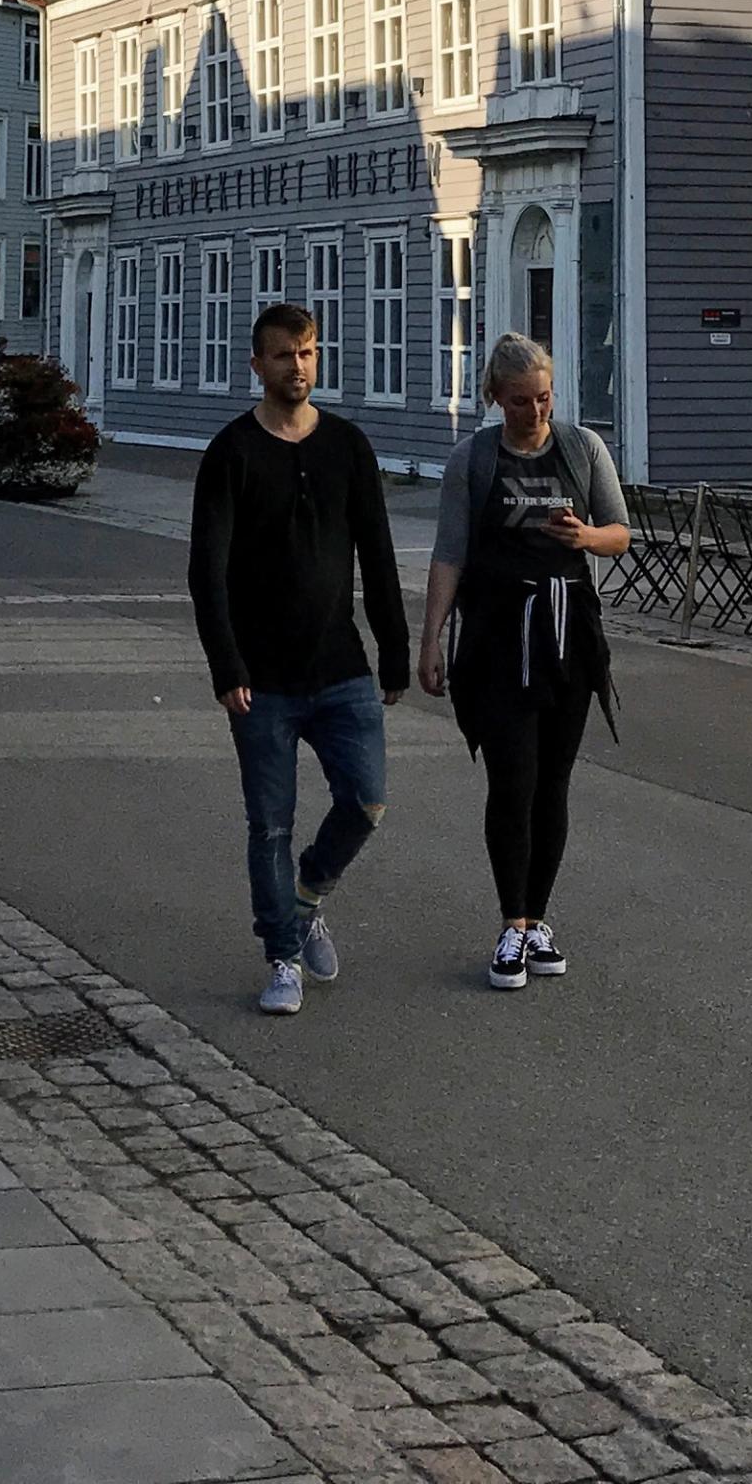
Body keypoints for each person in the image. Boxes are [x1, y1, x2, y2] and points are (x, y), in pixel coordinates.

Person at [188, 299, 407, 1016]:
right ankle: (282, 956)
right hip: (263, 679)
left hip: (339, 666)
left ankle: (309, 895)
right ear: (258, 365)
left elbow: (376, 554)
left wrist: (395, 651)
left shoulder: (347, 446)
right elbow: (206, 570)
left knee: (367, 800)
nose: (299, 366)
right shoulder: (232, 453)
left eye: (308, 352)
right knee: (270, 823)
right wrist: (227, 666)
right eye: (284, 354)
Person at [422, 333, 629, 991]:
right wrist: (430, 642)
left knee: (552, 783)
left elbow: (619, 534)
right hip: (495, 638)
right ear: (495, 399)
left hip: (569, 636)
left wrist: (584, 536)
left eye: (543, 399)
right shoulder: (474, 460)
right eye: (519, 402)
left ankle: (537, 920)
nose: (534, 413)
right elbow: (450, 554)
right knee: (512, 779)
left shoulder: (581, 448)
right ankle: (511, 925)